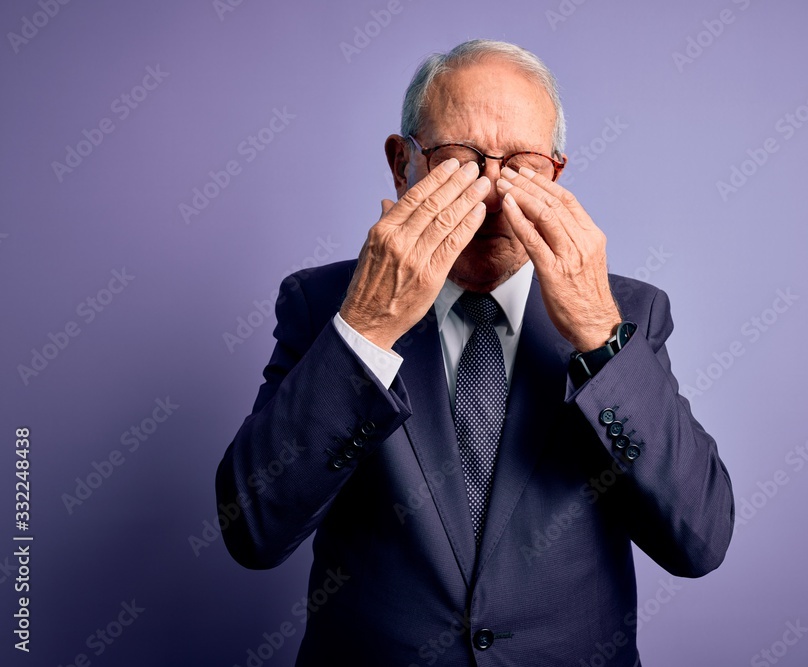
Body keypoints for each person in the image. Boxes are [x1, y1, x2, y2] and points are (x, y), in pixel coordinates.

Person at [216, 39, 734, 666]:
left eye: (521, 165)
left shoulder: (632, 314)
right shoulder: (322, 302)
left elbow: (699, 542)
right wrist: (367, 326)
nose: (491, 193)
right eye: (459, 160)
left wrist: (598, 333)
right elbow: (252, 529)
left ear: (557, 175)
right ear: (400, 162)